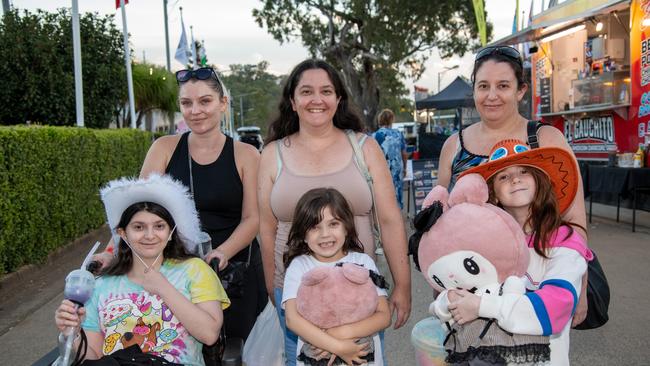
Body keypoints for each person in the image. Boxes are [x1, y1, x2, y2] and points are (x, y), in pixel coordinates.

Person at [95, 67, 266, 343]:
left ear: (223, 103)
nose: (195, 110)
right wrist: (110, 252)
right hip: (175, 272)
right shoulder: (163, 148)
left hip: (234, 271)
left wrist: (220, 254)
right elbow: (136, 212)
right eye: (187, 103)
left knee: (237, 351)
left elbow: (252, 219)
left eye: (205, 101)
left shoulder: (246, 154)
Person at [258, 59, 411, 366]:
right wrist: (272, 287)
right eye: (306, 91)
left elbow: (391, 220)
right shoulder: (273, 153)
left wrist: (402, 285)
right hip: (296, 293)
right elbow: (266, 227)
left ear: (339, 98)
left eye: (326, 91)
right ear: (292, 100)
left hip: (360, 292)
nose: (317, 99)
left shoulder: (364, 148)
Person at [436, 46, 589, 325]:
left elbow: (574, 221)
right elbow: (441, 223)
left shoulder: (545, 139)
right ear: (474, 91)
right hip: (472, 285)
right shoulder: (453, 146)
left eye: (503, 86)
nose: (491, 95)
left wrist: (581, 283)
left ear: (521, 91)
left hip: (537, 282)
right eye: (483, 86)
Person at [54, 174, 230, 365]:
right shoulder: (99, 287)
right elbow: (92, 357)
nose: (149, 235)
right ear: (123, 234)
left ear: (171, 232)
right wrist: (72, 332)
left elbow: (210, 334)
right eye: (138, 227)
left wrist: (163, 288)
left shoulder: (194, 271)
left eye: (159, 226)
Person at [447, 139, 593, 365]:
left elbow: (554, 308)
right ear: (493, 193)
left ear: (539, 181)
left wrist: (481, 305)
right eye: (503, 176)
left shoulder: (564, 241)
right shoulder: (486, 245)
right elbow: (459, 297)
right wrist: (449, 302)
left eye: (524, 171)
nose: (515, 179)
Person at [282, 188, 391, 366]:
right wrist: (339, 347)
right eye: (314, 227)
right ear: (303, 234)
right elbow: (292, 320)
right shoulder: (299, 266)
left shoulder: (363, 262)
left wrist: (336, 335)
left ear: (347, 227)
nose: (325, 234)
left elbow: (384, 316)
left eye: (333, 224)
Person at [372, 109, 408, 209]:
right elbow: (404, 153)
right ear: (391, 119)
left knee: (383, 194)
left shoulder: (375, 135)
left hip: (381, 170)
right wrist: (405, 168)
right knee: (397, 193)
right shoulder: (398, 134)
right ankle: (397, 215)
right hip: (397, 169)